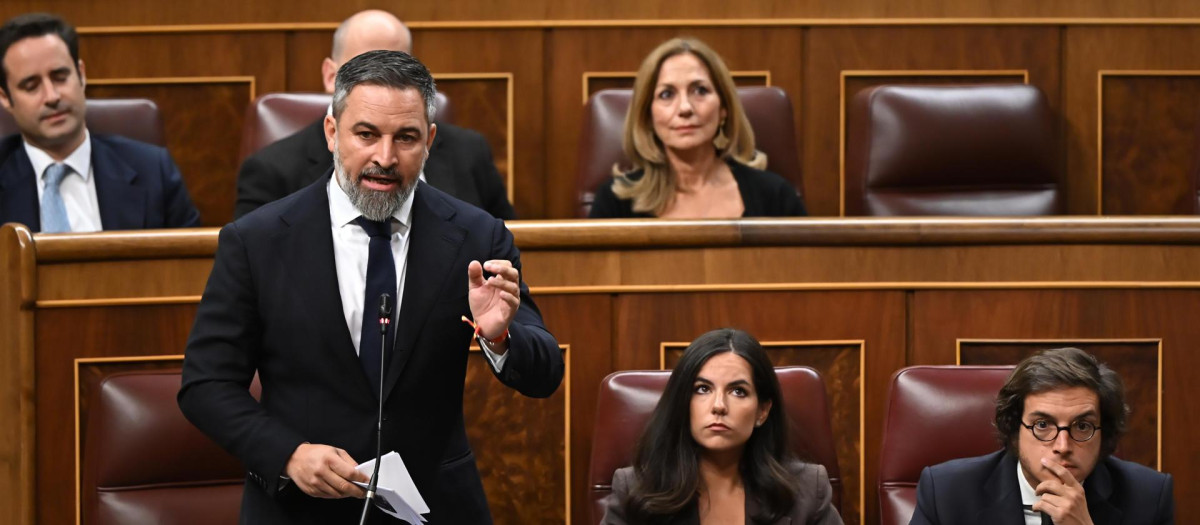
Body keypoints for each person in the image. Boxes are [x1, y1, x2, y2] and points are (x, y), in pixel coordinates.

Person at [178, 50, 563, 524]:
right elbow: (206, 385)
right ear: (332, 133)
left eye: (406, 138)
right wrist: (288, 454)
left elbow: (546, 372)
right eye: (366, 135)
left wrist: (501, 338)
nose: (385, 157)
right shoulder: (258, 241)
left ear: (430, 141)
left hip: (436, 507)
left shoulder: (476, 236)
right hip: (300, 509)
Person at [234, 9, 515, 221]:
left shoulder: (469, 152)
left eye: (398, 70)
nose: (385, 156)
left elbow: (508, 252)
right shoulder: (271, 171)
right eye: (366, 73)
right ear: (331, 76)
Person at [602, 328, 841, 524]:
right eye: (702, 389)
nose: (719, 406)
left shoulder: (807, 491)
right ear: (682, 402)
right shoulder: (636, 489)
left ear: (762, 411)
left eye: (738, 391)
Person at [910, 348, 1174, 525]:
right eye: (1042, 425)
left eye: (1082, 426)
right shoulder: (946, 494)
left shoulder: (1148, 497)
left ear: (1103, 432)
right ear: (1015, 429)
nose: (1062, 446)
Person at [0, 13, 200, 232]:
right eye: (31, 86)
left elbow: (189, 264)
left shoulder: (154, 172)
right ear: (5, 97)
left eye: (60, 77)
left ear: (81, 75)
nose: (52, 96)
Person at [588, 38, 806, 219]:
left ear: (724, 108)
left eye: (700, 91)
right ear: (648, 116)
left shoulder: (775, 196)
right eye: (667, 94)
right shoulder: (615, 202)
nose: (685, 108)